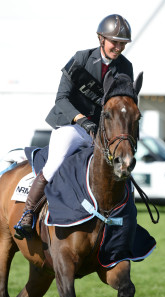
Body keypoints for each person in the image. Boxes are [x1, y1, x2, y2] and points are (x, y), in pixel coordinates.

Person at [14, 14, 134, 240]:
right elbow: (61, 99)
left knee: (120, 168)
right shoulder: (81, 59)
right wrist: (81, 119)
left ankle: (123, 220)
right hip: (71, 125)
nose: (118, 48)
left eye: (122, 43)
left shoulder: (125, 67)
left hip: (100, 131)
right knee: (55, 163)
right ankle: (28, 213)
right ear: (101, 38)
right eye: (114, 42)